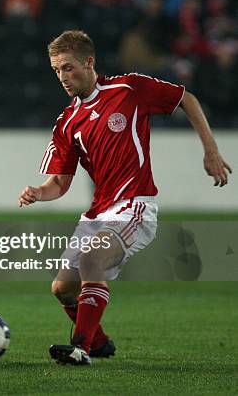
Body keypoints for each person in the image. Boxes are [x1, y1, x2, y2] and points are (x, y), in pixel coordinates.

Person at [18, 30, 231, 366]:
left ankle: (81, 348)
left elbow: (185, 98)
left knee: (91, 261)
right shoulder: (67, 122)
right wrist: (37, 193)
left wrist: (211, 150)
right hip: (98, 214)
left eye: (68, 68)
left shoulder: (127, 89)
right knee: (62, 288)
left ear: (89, 63)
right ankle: (100, 342)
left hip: (135, 205)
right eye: (56, 70)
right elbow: (59, 183)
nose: (62, 77)